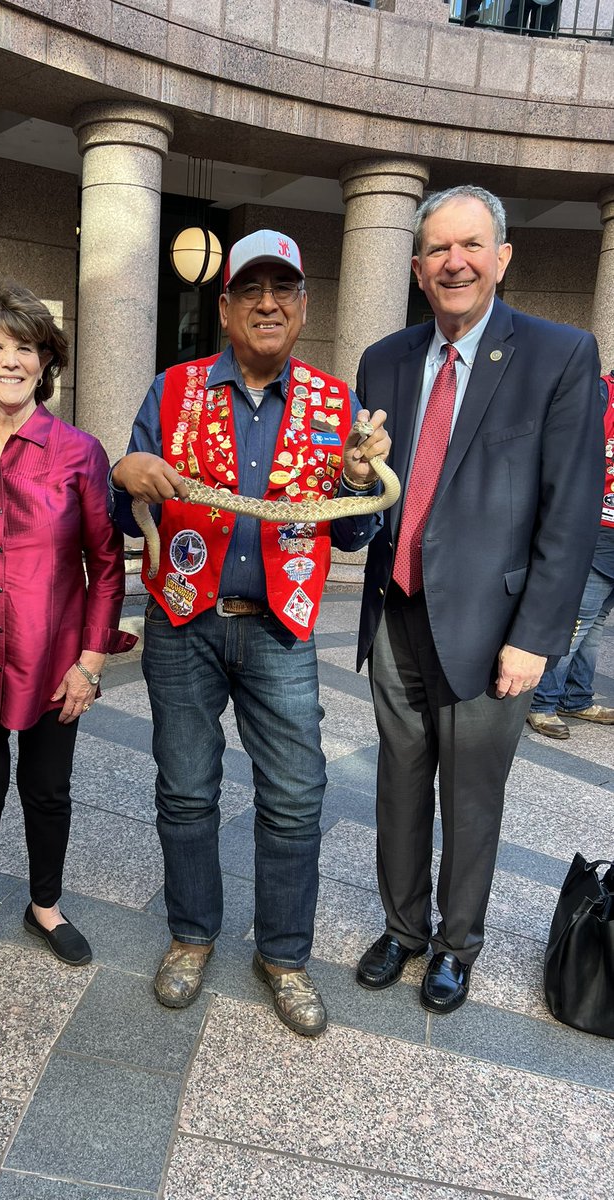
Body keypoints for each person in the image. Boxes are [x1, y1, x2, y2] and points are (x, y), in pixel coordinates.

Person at [110, 230, 390, 1037]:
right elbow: (122, 490)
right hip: (184, 623)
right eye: (252, 290)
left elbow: (352, 536)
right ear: (225, 308)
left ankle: (284, 955)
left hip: (281, 627)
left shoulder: (336, 405)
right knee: (186, 789)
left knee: (298, 796)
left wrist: (360, 483)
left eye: (285, 290)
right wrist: (123, 471)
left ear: (302, 308)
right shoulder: (174, 389)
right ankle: (193, 936)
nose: (268, 303)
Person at [353, 185, 603, 1014]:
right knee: (399, 783)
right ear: (417, 268)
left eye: (469, 246)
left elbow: (568, 514)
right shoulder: (384, 359)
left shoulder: (559, 355)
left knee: (470, 797)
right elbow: (369, 499)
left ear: (501, 256)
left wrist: (537, 637)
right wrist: (354, 484)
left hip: (496, 627)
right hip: (397, 611)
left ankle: (457, 947)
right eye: (435, 250)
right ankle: (403, 928)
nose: (452, 262)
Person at [0, 282, 136, 990]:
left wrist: (90, 661)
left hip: (53, 659)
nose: (10, 360)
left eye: (26, 346)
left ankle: (44, 907)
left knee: (48, 790)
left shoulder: (79, 451)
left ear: (46, 360)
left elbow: (106, 565)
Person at [527, 372, 614, 738]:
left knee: (595, 625)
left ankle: (575, 698)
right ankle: (541, 702)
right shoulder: (601, 392)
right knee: (576, 622)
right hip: (595, 527)